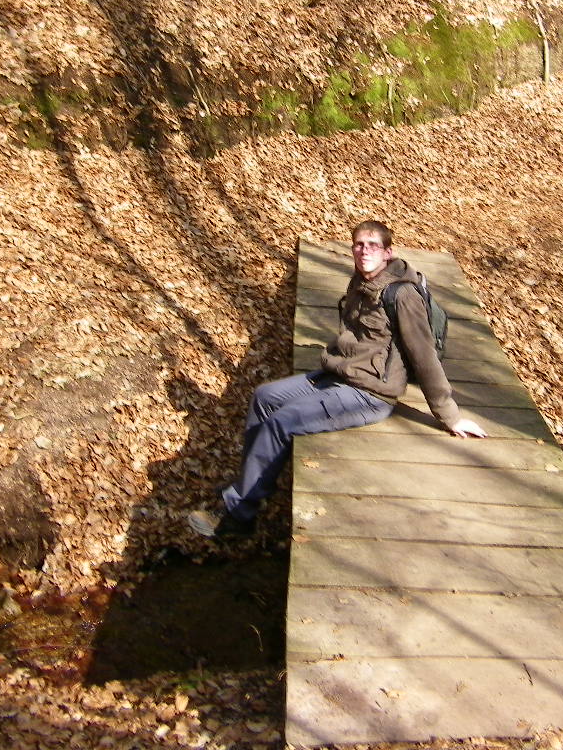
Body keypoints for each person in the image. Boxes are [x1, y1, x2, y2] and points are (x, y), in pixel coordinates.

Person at [188, 220, 486, 538]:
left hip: (370, 394)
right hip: (339, 374)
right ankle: (248, 486)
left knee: (283, 421)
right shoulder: (360, 281)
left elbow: (424, 356)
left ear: (388, 252)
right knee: (265, 397)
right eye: (359, 244)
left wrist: (450, 415)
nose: (364, 251)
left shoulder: (402, 295)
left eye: (373, 245)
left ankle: (239, 514)